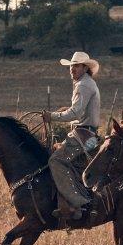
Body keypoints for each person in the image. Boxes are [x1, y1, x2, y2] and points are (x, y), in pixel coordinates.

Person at [42, 51, 102, 220]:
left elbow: (75, 113)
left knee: (55, 160)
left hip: (83, 136)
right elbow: (78, 112)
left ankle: (77, 202)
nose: (72, 69)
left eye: (76, 66)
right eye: (71, 66)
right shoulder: (87, 83)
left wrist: (52, 116)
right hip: (87, 134)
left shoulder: (83, 85)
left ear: (85, 67)